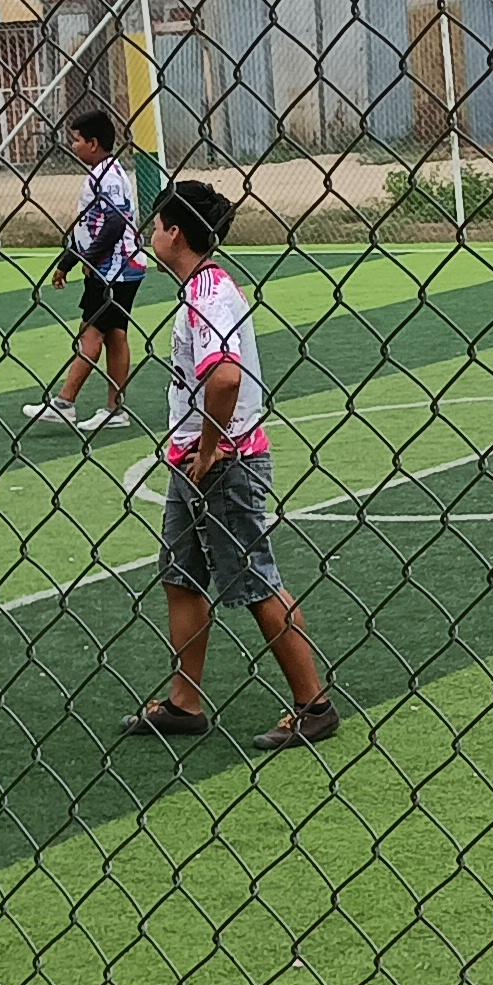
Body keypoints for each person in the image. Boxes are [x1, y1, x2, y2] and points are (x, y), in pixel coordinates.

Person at [118, 180, 340, 750]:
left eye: (156, 224)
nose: (150, 233)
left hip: (222, 464)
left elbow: (225, 376)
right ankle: (185, 702)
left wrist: (212, 445)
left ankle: (314, 705)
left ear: (175, 232)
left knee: (256, 581)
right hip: (195, 460)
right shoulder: (201, 289)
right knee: (180, 576)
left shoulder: (208, 295)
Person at [26, 111, 144, 431]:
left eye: (76, 139)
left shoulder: (106, 176)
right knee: (115, 335)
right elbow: (90, 227)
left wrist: (90, 259)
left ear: (93, 143)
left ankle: (65, 403)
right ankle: (115, 410)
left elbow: (115, 222)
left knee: (90, 333)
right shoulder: (103, 173)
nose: (73, 145)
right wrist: (67, 263)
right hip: (121, 267)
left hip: (113, 269)